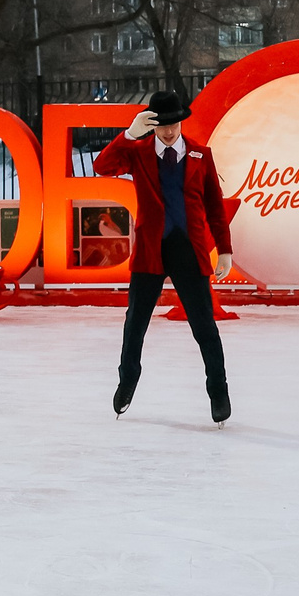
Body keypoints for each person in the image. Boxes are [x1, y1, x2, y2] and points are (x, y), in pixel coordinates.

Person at [90, 89, 234, 423]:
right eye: (161, 125)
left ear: (182, 122)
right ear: (151, 125)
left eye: (173, 124)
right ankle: (128, 380)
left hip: (188, 249)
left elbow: (215, 205)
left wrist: (224, 249)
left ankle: (219, 392)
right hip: (151, 250)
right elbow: (102, 166)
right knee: (135, 323)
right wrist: (129, 134)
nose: (168, 131)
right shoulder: (138, 152)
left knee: (204, 326)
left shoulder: (200, 154)